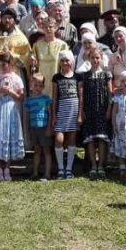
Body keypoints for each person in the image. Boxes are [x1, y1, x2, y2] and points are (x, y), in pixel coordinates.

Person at [0, 53, 25, 181]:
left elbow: (21, 97)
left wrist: (10, 92)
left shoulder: (17, 78)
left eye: (5, 64)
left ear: (10, 64)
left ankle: (7, 167)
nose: (3, 66)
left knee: (9, 135)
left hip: (11, 109)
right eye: (0, 64)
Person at [79, 47, 112, 179]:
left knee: (102, 138)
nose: (95, 60)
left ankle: (101, 165)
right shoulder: (84, 75)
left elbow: (110, 94)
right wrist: (81, 111)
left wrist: (109, 109)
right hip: (89, 109)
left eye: (97, 58)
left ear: (101, 58)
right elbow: (81, 95)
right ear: (89, 58)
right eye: (93, 57)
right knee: (91, 139)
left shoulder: (106, 74)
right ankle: (93, 165)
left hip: (102, 109)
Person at [51, 50, 80, 179]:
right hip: (61, 109)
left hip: (74, 109)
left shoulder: (77, 77)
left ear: (71, 62)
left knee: (72, 139)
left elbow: (81, 95)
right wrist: (53, 114)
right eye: (62, 60)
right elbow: (54, 97)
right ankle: (60, 168)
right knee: (59, 139)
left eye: (67, 60)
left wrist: (80, 114)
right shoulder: (56, 77)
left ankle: (69, 169)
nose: (65, 63)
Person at [0, 7, 31, 81]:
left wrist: (11, 56)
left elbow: (26, 58)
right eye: (4, 18)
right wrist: (0, 56)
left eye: (10, 18)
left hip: (16, 74)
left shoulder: (21, 39)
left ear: (14, 20)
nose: (7, 20)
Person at [24, 72, 53, 181]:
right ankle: (35, 172)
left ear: (43, 87)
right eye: (35, 85)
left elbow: (50, 114)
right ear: (31, 85)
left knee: (46, 150)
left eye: (40, 85)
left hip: (44, 127)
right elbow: (26, 116)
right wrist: (26, 129)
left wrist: (50, 127)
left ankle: (47, 174)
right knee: (36, 150)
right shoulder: (28, 100)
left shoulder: (46, 98)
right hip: (33, 127)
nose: (38, 88)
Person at [32, 12, 68, 94]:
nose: (48, 29)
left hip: (56, 80)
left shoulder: (62, 45)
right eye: (45, 27)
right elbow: (34, 66)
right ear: (42, 28)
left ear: (55, 28)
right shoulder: (37, 45)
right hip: (41, 83)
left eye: (50, 27)